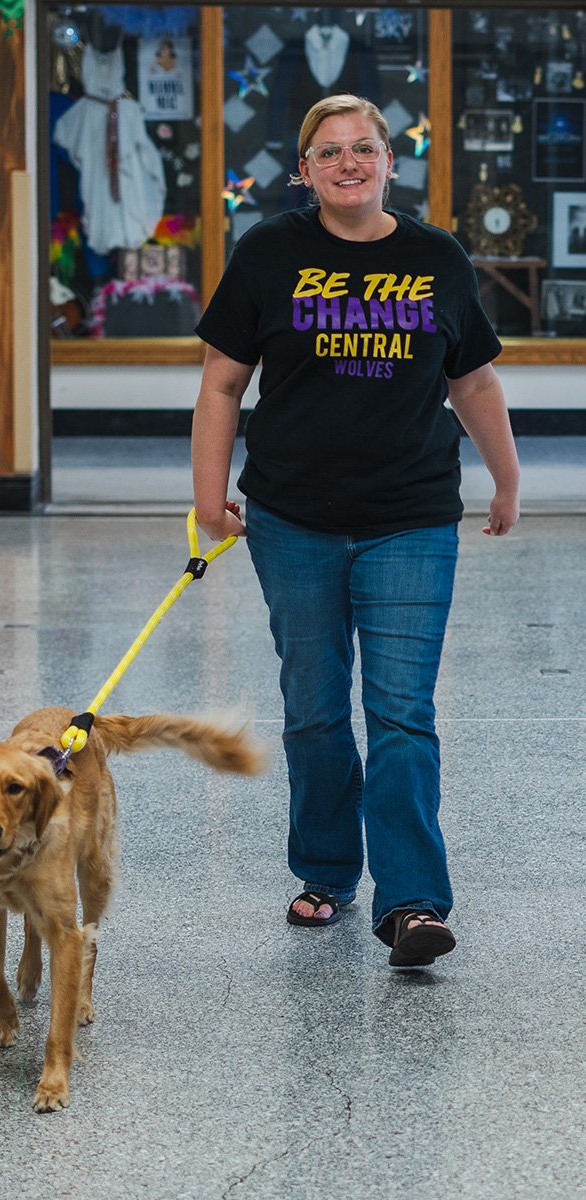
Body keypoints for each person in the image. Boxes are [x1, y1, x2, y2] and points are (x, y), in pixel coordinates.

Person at [191, 94, 520, 968]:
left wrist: (506, 478)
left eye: (363, 149)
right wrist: (207, 497)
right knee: (313, 710)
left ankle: (412, 902)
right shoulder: (267, 254)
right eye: (328, 151)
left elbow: (474, 383)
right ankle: (328, 872)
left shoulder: (435, 256)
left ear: (387, 162)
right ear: (302, 170)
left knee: (402, 712)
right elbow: (221, 385)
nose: (348, 163)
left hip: (408, 518)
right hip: (291, 519)